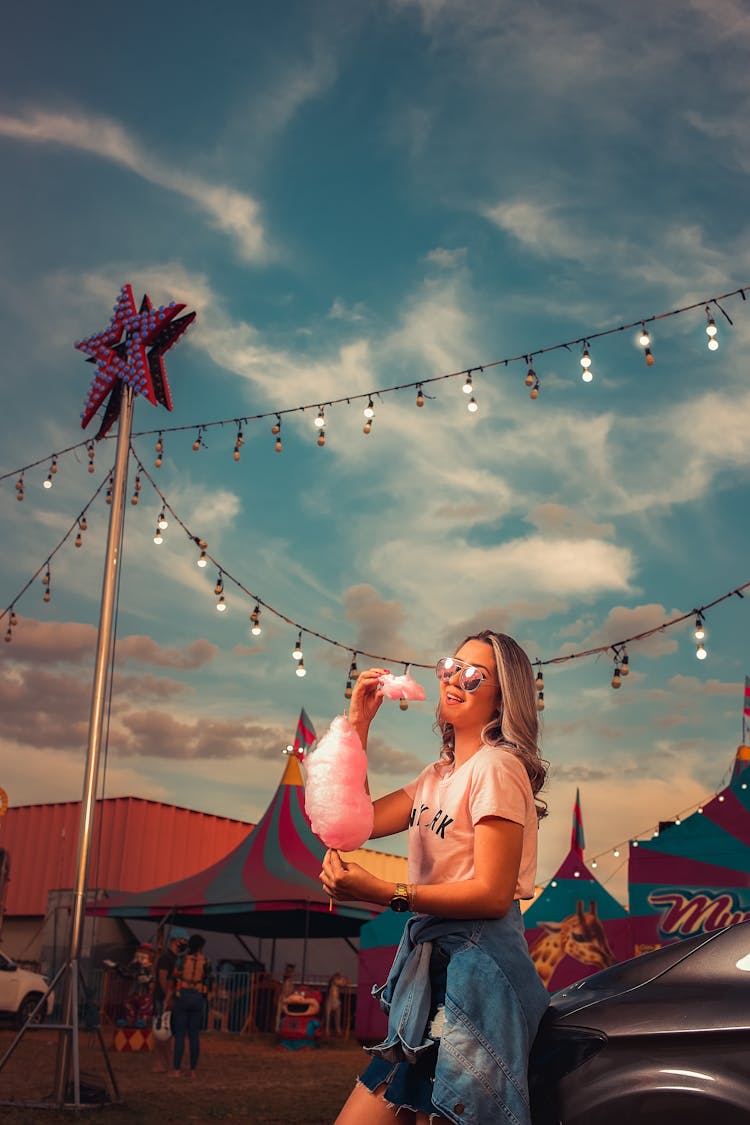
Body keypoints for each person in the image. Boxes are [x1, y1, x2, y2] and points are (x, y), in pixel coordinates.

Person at [320, 630, 550, 1125]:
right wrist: (359, 723)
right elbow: (355, 822)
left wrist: (385, 892)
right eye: (451, 666)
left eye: (474, 674)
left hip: (479, 970)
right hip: (436, 970)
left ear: (501, 696)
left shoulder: (497, 768)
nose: (454, 679)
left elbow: (491, 895)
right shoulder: (434, 778)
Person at [170, 933, 213, 1079]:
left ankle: (176, 1070)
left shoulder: (181, 959)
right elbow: (209, 980)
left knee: (180, 1035)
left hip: (182, 995)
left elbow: (174, 977)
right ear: (200, 946)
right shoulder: (206, 961)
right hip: (197, 996)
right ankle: (193, 1070)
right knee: (194, 1035)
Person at [152, 927, 188, 1073]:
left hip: (171, 998)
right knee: (161, 1031)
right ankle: (159, 1062)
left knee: (168, 1032)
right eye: (183, 940)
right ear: (176, 940)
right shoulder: (166, 958)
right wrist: (168, 995)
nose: (185, 943)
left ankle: (167, 1062)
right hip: (162, 998)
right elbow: (162, 977)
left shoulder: (177, 958)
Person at [325, 971, 348, 1037]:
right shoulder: (333, 982)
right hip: (330, 1002)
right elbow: (340, 983)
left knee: (337, 1017)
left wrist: (345, 980)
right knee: (328, 1017)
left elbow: (343, 983)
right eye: (337, 977)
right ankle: (327, 1031)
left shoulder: (337, 983)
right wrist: (343, 980)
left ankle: (338, 1030)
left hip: (337, 1002)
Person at [274, 962, 296, 1031]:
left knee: (284, 1014)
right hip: (283, 999)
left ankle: (283, 1028)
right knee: (280, 1014)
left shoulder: (290, 982)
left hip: (286, 999)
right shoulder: (287, 982)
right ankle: (278, 1028)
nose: (290, 973)